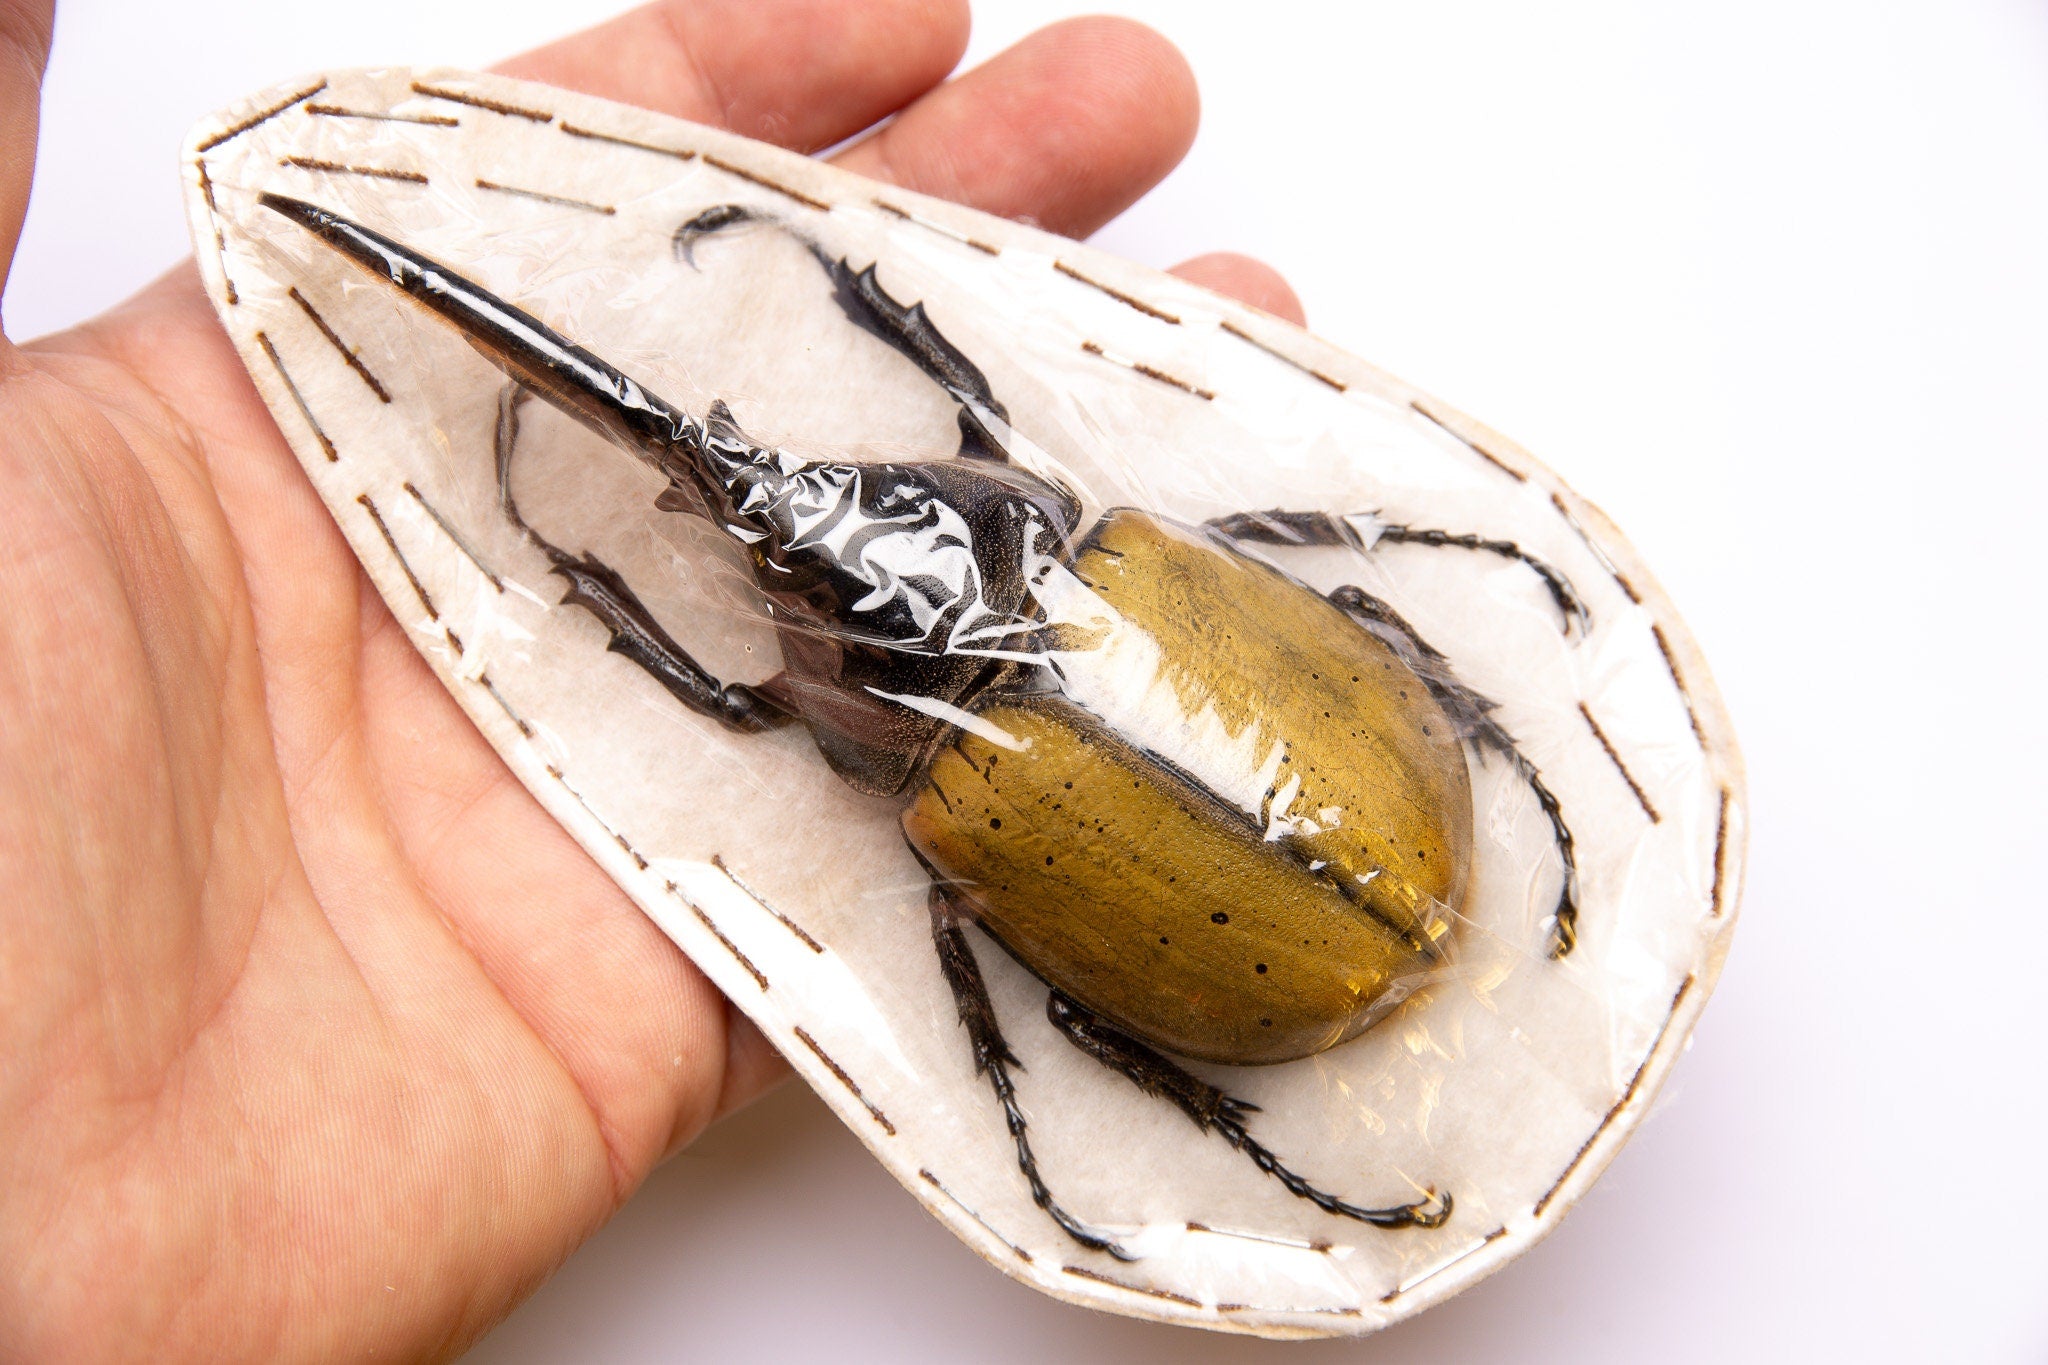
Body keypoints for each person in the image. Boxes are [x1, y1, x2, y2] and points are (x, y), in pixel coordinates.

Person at [0, 1, 1303, 1356]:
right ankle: (1229, 1133)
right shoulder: (1077, 566)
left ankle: (1206, 1130)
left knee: (917, 880)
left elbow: (745, 696)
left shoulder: (956, 770)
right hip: (1275, 881)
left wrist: (575, 557)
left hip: (1251, 922)